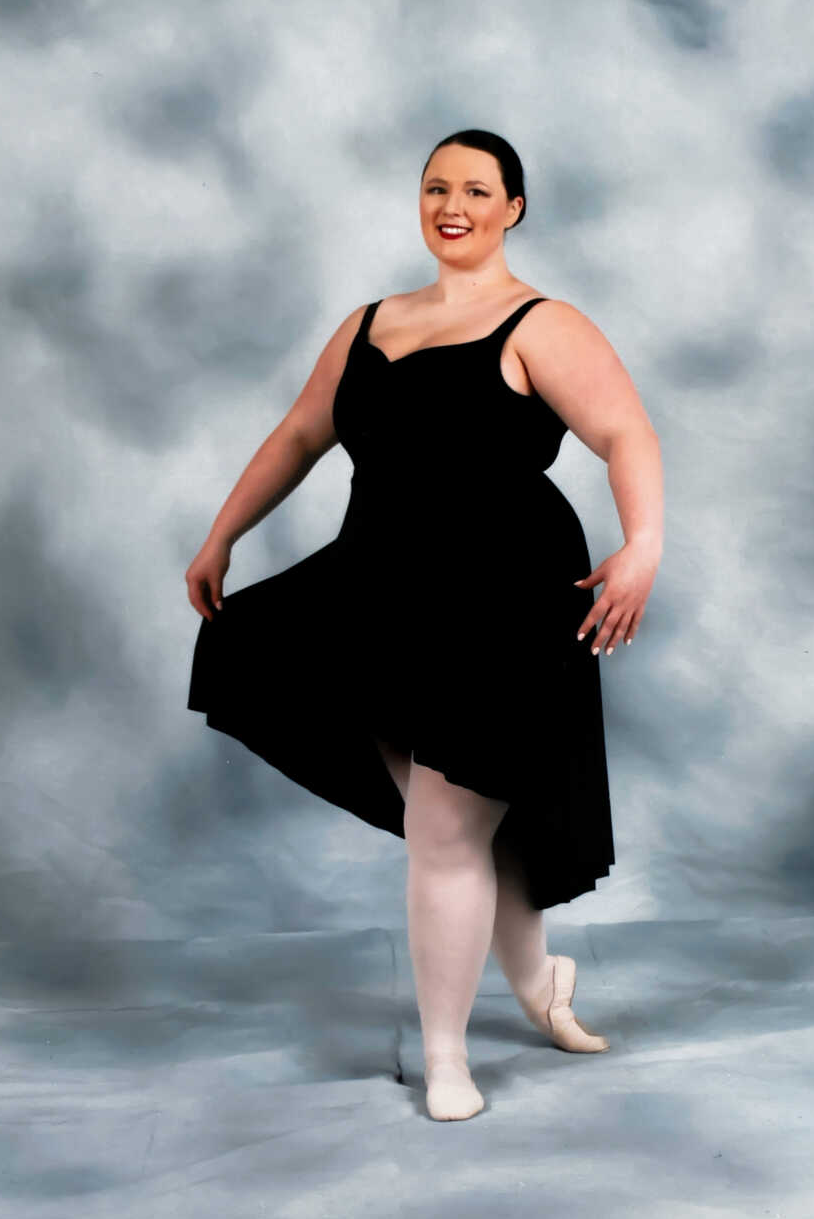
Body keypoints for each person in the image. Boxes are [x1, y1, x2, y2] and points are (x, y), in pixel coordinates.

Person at [186, 129, 663, 1122]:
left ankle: (446, 1057)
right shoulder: (370, 323)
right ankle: (539, 982)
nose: (454, 203)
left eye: (478, 189)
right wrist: (223, 533)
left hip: (505, 593)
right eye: (437, 186)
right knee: (457, 814)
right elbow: (300, 434)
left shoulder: (542, 323)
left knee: (447, 823)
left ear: (513, 207)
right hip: (380, 588)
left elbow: (624, 432)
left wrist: (644, 540)